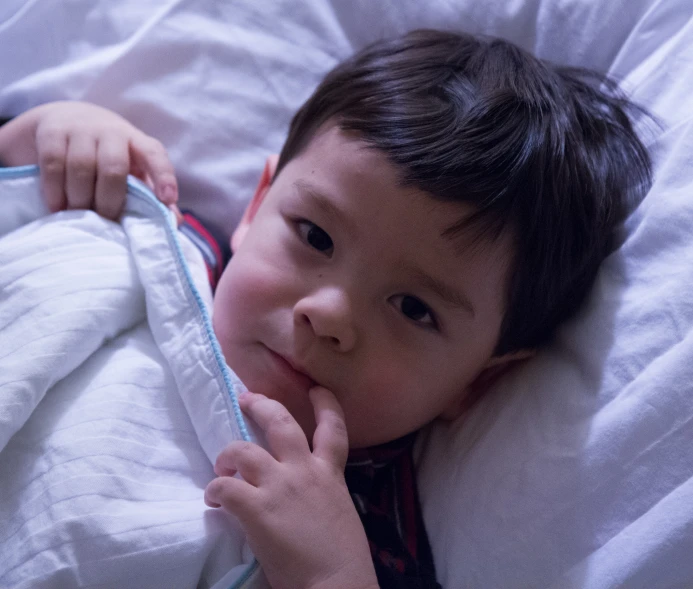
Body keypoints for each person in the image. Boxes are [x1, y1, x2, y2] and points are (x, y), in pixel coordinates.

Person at [0, 29, 652, 589]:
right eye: (315, 236)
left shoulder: (362, 527)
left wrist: (327, 575)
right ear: (257, 208)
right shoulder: (151, 233)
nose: (329, 314)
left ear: (477, 380)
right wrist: (43, 140)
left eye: (413, 308)